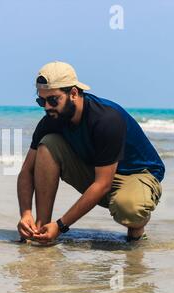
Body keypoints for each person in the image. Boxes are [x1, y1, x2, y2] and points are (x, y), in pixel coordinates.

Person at [17, 61, 165, 243]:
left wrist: (61, 226)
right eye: (42, 101)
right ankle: (41, 228)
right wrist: (25, 214)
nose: (47, 106)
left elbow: (102, 184)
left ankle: (137, 227)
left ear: (73, 93)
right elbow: (26, 171)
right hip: (98, 173)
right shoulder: (51, 120)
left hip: (136, 175)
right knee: (47, 144)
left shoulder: (106, 120)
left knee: (129, 209)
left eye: (53, 99)